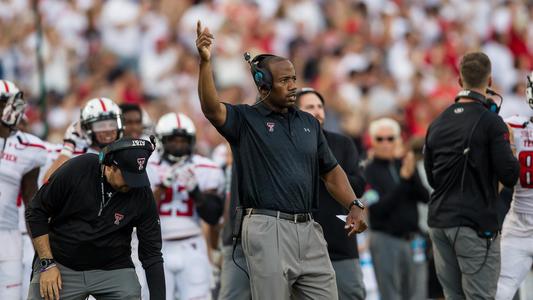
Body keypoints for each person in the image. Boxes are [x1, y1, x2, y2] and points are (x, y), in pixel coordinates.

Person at [196, 21, 366, 299]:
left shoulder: (308, 122)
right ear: (263, 84)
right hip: (266, 226)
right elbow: (211, 108)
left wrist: (354, 203)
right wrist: (205, 63)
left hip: (310, 227)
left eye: (294, 79)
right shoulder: (245, 119)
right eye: (285, 80)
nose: (293, 86)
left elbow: (332, 171)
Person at [424, 52, 520, 299]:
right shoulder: (492, 122)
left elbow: (432, 178)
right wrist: (511, 150)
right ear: (489, 81)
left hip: (439, 223)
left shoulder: (437, 123)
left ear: (459, 81)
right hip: (474, 225)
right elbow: (509, 176)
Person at [26, 137, 165, 300]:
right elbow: (36, 210)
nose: (133, 184)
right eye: (128, 176)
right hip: (61, 262)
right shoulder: (78, 169)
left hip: (113, 268)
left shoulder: (141, 191)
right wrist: (47, 264)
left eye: (137, 176)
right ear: (109, 166)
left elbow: (152, 254)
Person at [296, 87, 367, 300]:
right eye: (310, 107)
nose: (318, 112)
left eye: (320, 106)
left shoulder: (342, 143)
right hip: (301, 247)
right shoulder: (288, 146)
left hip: (340, 242)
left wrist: (332, 175)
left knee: (351, 294)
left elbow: (359, 185)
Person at [147, 112, 225, 300]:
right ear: (160, 140)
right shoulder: (146, 167)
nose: (179, 145)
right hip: (157, 247)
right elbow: (139, 213)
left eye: (183, 140)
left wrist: (196, 192)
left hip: (192, 244)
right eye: (173, 140)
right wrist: (161, 188)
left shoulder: (206, 167)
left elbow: (213, 215)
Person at [364, 118, 429, 300]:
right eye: (380, 139)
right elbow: (378, 208)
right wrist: (403, 181)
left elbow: (425, 197)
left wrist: (411, 175)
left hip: (413, 239)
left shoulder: (405, 165)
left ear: (398, 140)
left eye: (391, 139)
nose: (386, 144)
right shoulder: (368, 171)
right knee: (391, 294)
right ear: (373, 141)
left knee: (417, 294)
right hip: (386, 239)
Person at [0, 80, 48, 299]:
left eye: (10, 104)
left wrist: (43, 252)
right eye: (3, 104)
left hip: (9, 234)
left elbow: (32, 202)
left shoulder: (30, 148)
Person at [496, 71, 533, 300]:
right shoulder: (512, 127)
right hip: (518, 222)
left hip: (519, 223)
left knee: (500, 289)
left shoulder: (512, 127)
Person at [43, 97, 123, 182]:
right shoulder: (71, 154)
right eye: (100, 125)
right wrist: (68, 147)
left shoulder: (125, 150)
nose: (108, 130)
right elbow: (49, 183)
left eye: (112, 124)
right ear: (87, 128)